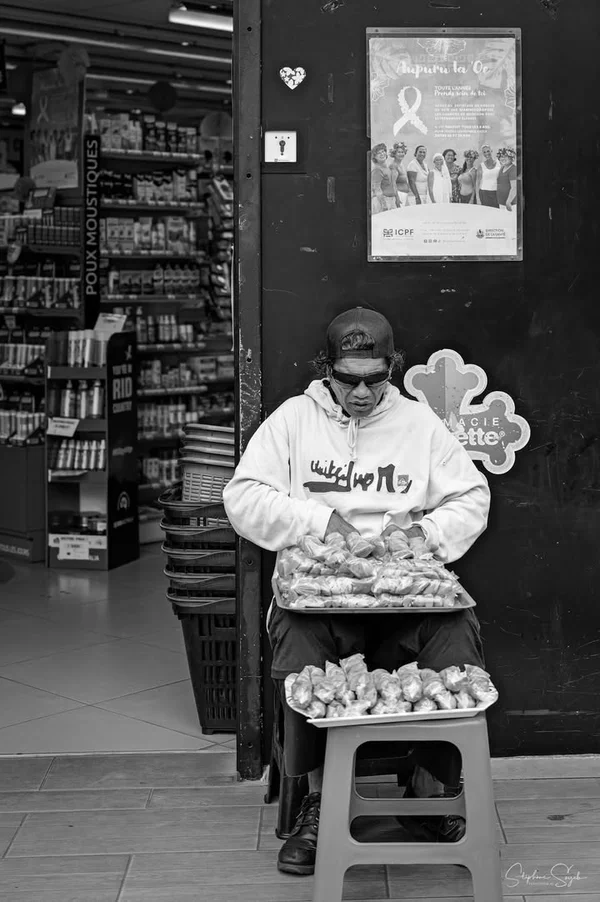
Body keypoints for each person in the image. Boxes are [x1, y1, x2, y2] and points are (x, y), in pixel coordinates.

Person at [223, 307, 491, 876]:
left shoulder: (418, 424)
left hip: (400, 602)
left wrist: (421, 536)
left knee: (455, 630)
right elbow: (243, 496)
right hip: (319, 599)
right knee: (297, 639)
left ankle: (428, 790)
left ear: (392, 368)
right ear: (327, 370)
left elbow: (472, 498)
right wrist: (321, 524)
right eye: (349, 379)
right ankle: (319, 801)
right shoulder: (294, 419)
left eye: (376, 377)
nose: (363, 392)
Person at [370, 143, 398, 214]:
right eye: (378, 153)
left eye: (383, 151)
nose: (382, 154)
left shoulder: (387, 168)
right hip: (382, 202)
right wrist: (384, 205)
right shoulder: (377, 169)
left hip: (391, 200)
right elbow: (377, 188)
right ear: (374, 157)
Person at [388, 141, 410, 206]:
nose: (401, 154)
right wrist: (397, 198)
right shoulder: (394, 166)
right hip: (399, 194)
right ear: (394, 153)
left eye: (402, 152)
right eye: (399, 152)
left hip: (404, 194)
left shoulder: (401, 164)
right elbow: (393, 183)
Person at [496, 147, 518, 211]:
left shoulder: (513, 169)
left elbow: (514, 187)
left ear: (511, 158)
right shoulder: (502, 168)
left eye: (506, 156)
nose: (503, 158)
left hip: (510, 204)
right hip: (502, 202)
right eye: (501, 157)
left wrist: (508, 201)